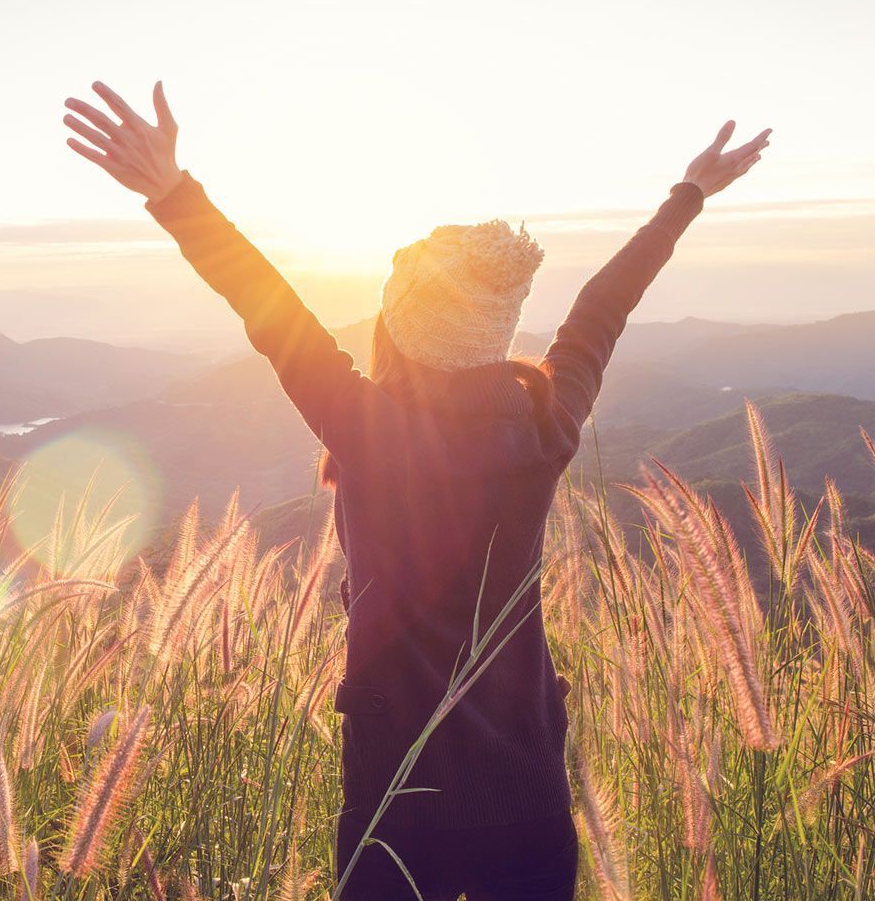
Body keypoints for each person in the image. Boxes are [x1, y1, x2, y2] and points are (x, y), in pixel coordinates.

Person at [63, 81, 769, 901]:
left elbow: (270, 309)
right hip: (527, 793)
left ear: (396, 327)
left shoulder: (368, 429)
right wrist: (688, 195)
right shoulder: (546, 423)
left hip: (394, 802)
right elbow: (600, 311)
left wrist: (175, 194)